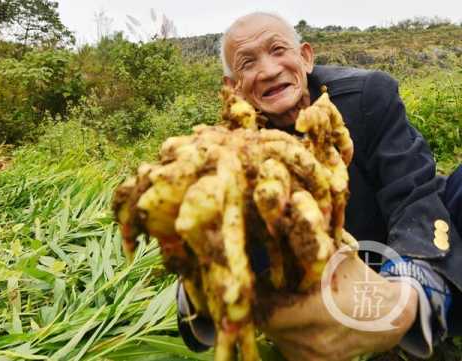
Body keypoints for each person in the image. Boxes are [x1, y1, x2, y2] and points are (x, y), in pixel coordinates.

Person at [176, 12, 462, 360]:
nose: (268, 70)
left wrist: (404, 296)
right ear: (233, 85)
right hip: (313, 280)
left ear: (306, 57)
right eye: (247, 63)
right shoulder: (228, 149)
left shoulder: (369, 94)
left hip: (389, 246)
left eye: (278, 49)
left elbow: (411, 193)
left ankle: (423, 320)